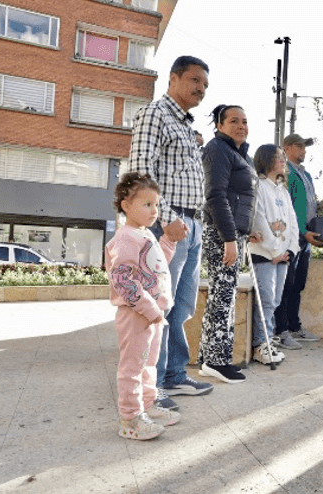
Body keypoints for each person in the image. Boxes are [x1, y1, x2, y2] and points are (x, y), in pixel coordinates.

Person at [124, 55, 215, 411]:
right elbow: (141, 173)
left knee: (182, 306)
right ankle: (151, 386)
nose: (200, 89)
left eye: (205, 85)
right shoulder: (155, 115)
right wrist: (165, 220)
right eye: (194, 80)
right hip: (170, 225)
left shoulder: (186, 127)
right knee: (158, 305)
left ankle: (174, 375)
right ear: (173, 79)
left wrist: (193, 223)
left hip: (192, 225)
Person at [107, 172, 182, 440]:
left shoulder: (145, 234)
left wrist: (169, 241)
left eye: (156, 205)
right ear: (126, 205)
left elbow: (157, 264)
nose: (154, 211)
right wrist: (150, 310)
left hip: (153, 314)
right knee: (132, 367)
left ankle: (147, 406)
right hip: (136, 315)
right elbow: (123, 281)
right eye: (147, 204)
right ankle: (130, 417)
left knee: (149, 363)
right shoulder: (125, 237)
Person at [197, 104, 255, 384]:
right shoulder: (218, 149)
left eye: (244, 121)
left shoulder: (235, 152)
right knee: (223, 298)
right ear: (219, 125)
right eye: (234, 121)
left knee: (223, 296)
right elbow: (216, 195)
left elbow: (239, 197)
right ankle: (218, 361)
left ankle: (209, 359)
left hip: (233, 232)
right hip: (223, 233)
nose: (241, 125)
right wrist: (230, 238)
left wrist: (245, 231)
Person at [274, 133, 323, 350]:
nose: (303, 150)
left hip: (306, 238)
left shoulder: (305, 175)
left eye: (305, 147)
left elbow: (304, 205)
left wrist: (320, 206)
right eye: (299, 146)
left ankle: (294, 326)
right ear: (286, 148)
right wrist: (302, 232)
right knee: (285, 285)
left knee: (298, 285)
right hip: (293, 237)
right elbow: (287, 207)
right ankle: (281, 331)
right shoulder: (285, 174)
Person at [247, 144, 299, 366]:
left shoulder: (283, 192)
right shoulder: (258, 186)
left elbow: (293, 224)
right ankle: (261, 344)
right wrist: (275, 250)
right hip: (264, 254)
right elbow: (258, 219)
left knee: (275, 300)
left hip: (282, 257)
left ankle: (268, 340)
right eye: (279, 158)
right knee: (266, 300)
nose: (283, 162)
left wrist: (290, 250)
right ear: (266, 161)